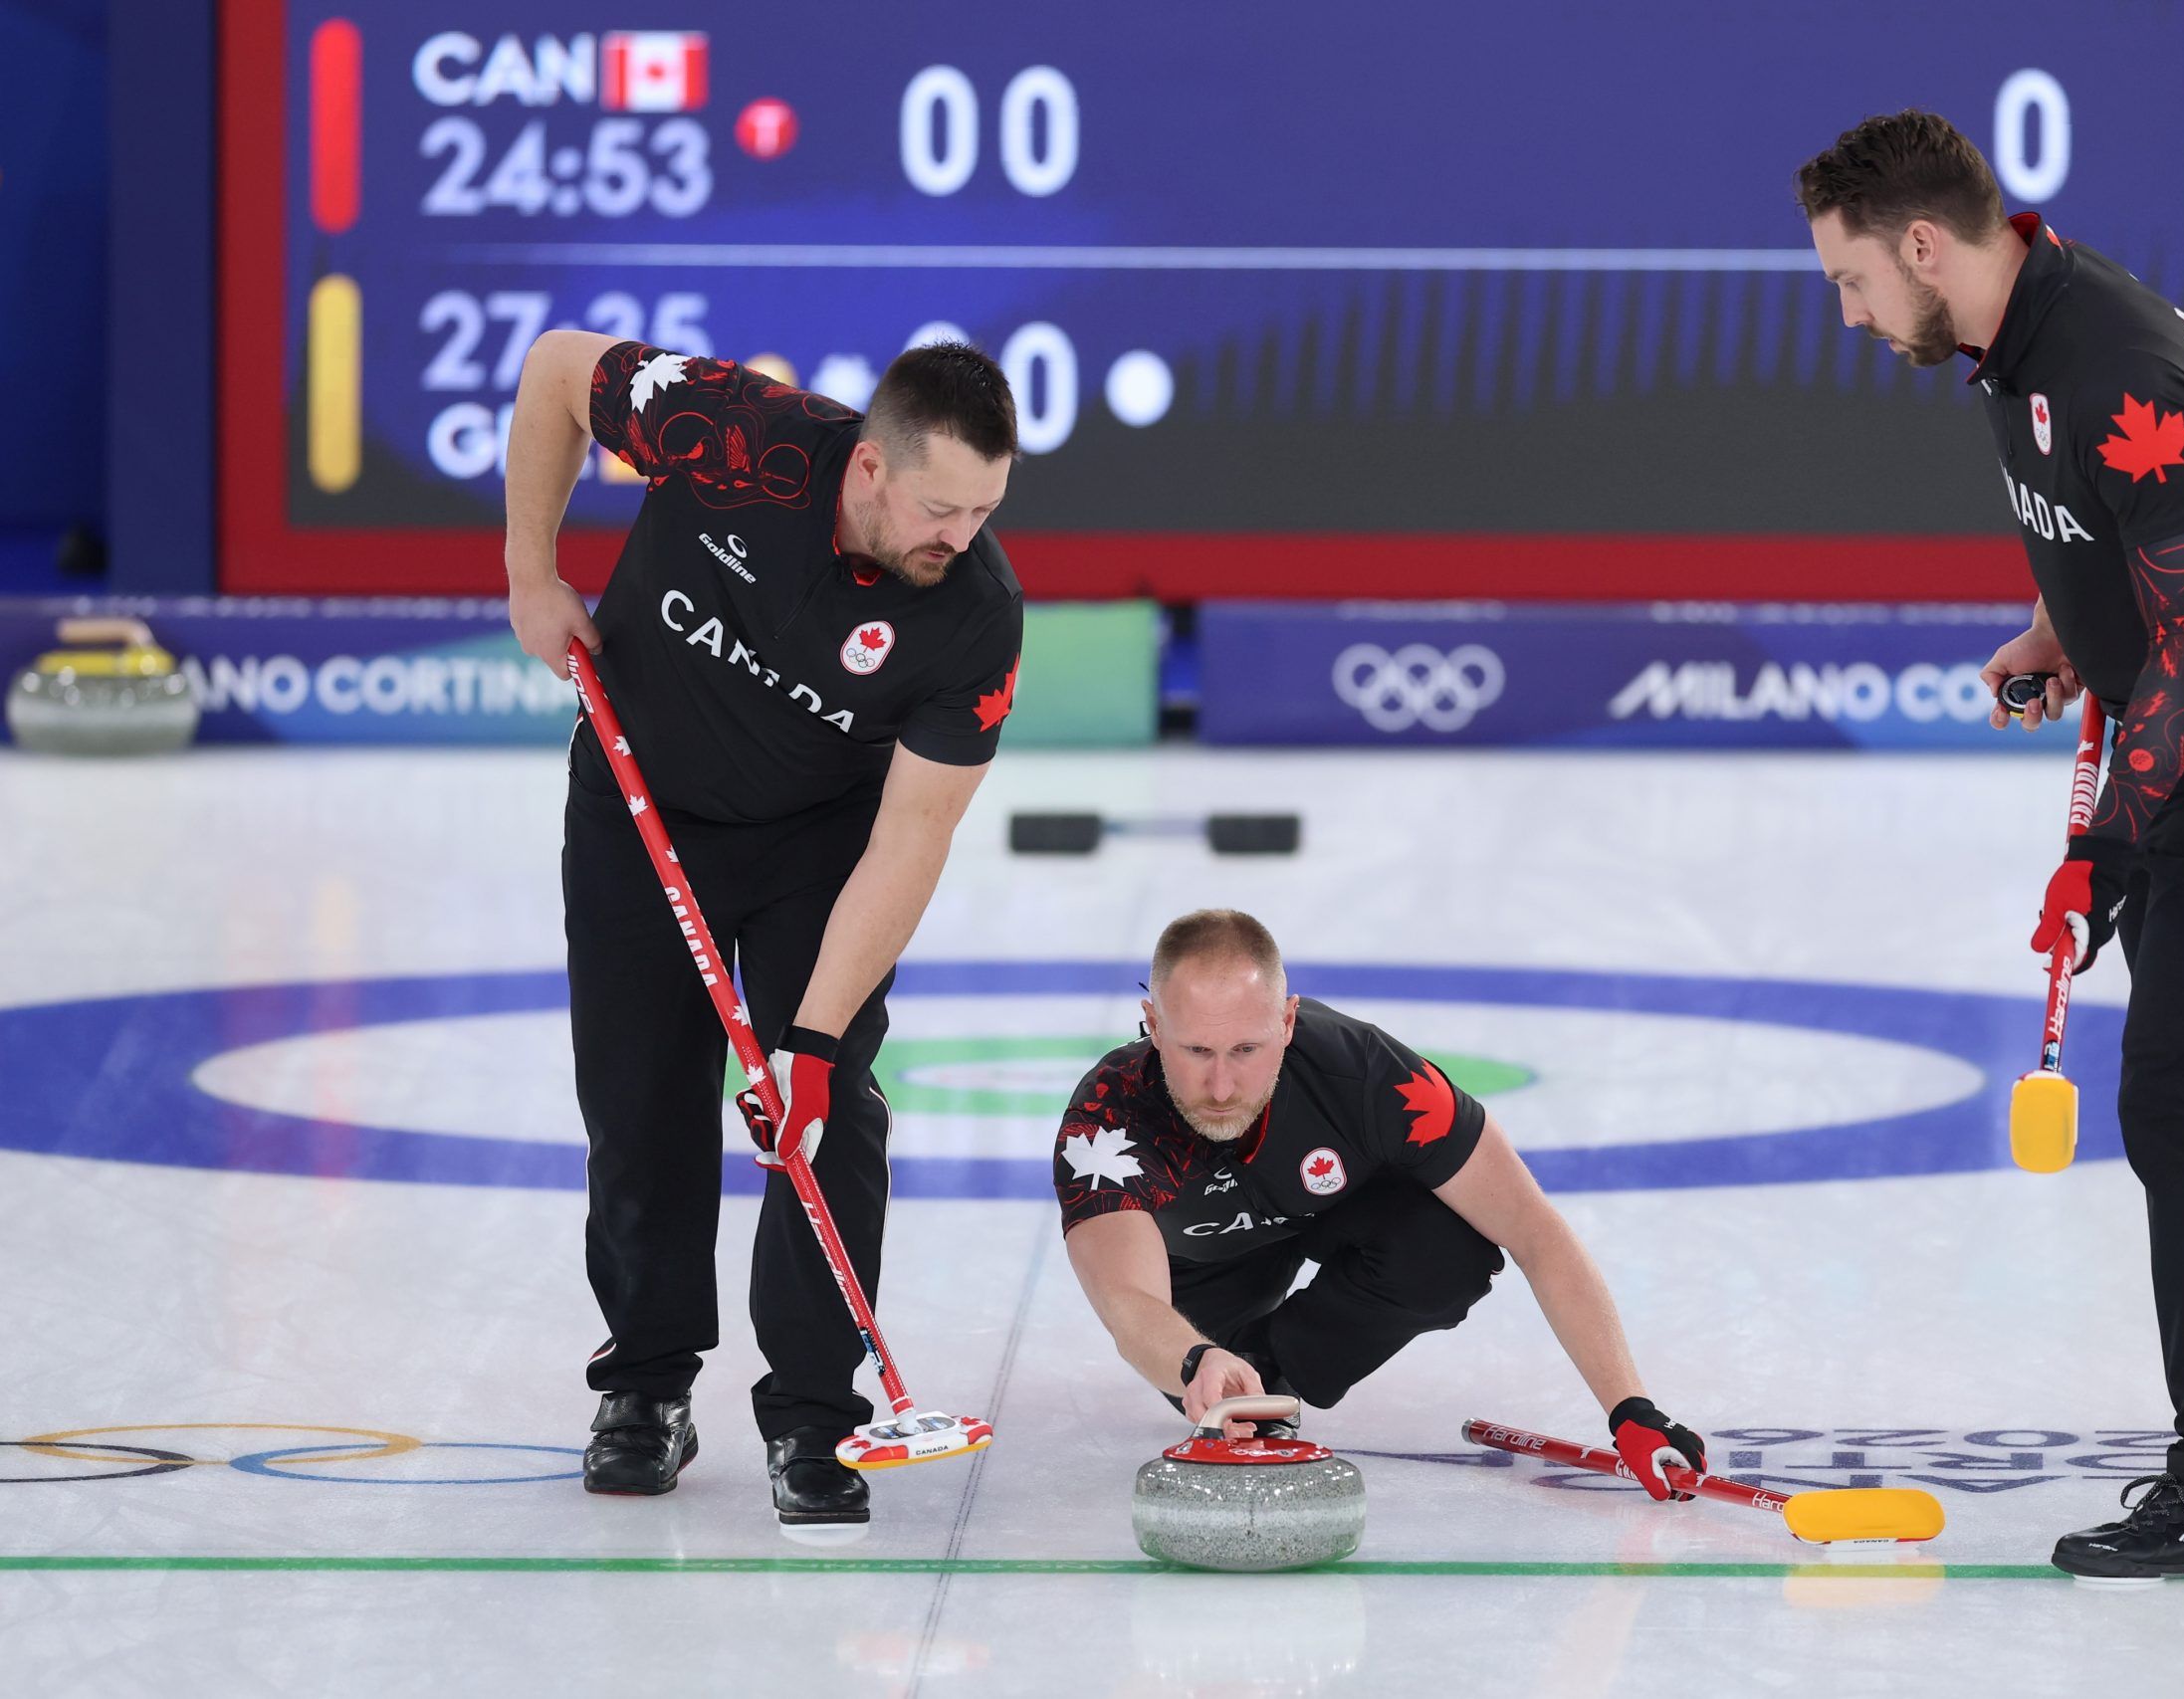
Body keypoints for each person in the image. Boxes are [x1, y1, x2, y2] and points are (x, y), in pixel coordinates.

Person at [1793, 111, 2184, 1580]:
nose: (1853, 313)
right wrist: (2065, 632)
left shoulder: (2112, 362)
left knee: (2176, 1103)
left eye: (1855, 280)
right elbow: (2125, 554)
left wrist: (2105, 852)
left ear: (1923, 245)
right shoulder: (2011, 342)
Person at [505, 333, 1024, 1527]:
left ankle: (814, 1417)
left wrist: (811, 1041)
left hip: (819, 850)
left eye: (986, 509)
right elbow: (551, 374)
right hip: (642, 808)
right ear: (869, 471)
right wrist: (532, 575)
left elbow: (914, 837)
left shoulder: (973, 616)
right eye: (941, 508)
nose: (962, 536)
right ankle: (644, 1386)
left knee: (825, 1108)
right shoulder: (735, 434)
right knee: (636, 1103)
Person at [1053, 909, 1705, 1499]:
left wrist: (1630, 1408)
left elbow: (1535, 1231)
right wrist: (1197, 1359)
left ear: (1287, 1022)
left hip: (1335, 1209)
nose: (1221, 1085)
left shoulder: (1369, 1076)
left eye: (1247, 1049)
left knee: (1448, 1251)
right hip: (1203, 1275)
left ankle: (1276, 1368)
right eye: (1196, 1049)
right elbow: (1129, 1302)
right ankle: (1246, 1364)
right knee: (1217, 1381)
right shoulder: (1108, 1123)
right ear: (1152, 1025)